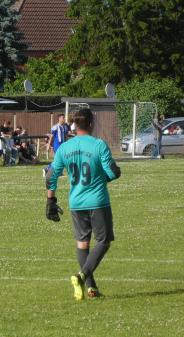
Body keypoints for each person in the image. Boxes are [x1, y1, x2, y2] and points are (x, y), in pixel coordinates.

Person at [45, 108, 121, 300]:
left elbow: (51, 175)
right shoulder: (99, 145)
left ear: (75, 125)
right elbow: (112, 172)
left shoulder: (64, 148)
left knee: (82, 243)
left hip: (76, 202)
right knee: (103, 241)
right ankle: (82, 275)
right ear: (90, 123)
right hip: (97, 201)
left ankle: (91, 288)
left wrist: (50, 200)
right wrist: (112, 174)